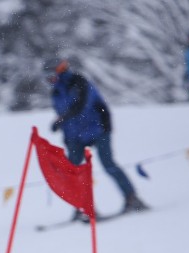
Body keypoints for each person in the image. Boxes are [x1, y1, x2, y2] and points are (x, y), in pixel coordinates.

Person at [45, 58, 148, 219]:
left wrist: (61, 119)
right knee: (72, 170)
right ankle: (82, 207)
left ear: (59, 71)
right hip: (75, 136)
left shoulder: (78, 82)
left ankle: (132, 198)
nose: (48, 79)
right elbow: (65, 115)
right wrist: (65, 134)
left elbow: (80, 106)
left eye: (50, 74)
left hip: (98, 129)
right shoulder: (56, 92)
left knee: (108, 164)